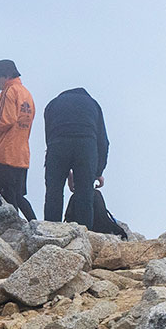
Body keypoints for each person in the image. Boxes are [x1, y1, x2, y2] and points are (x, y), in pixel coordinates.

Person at [42, 86, 109, 227]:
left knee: (53, 192)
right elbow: (103, 142)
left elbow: (49, 137)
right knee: (85, 194)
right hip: (86, 146)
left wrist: (64, 170)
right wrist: (97, 172)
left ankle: (50, 231)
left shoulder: (53, 104)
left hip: (57, 145)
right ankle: (84, 234)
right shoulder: (93, 104)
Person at [0, 60, 36, 219]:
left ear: (8, 75)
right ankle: (34, 224)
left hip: (6, 153)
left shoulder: (9, 92)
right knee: (18, 196)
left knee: (5, 197)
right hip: (21, 154)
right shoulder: (26, 94)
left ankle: (13, 231)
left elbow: (7, 121)